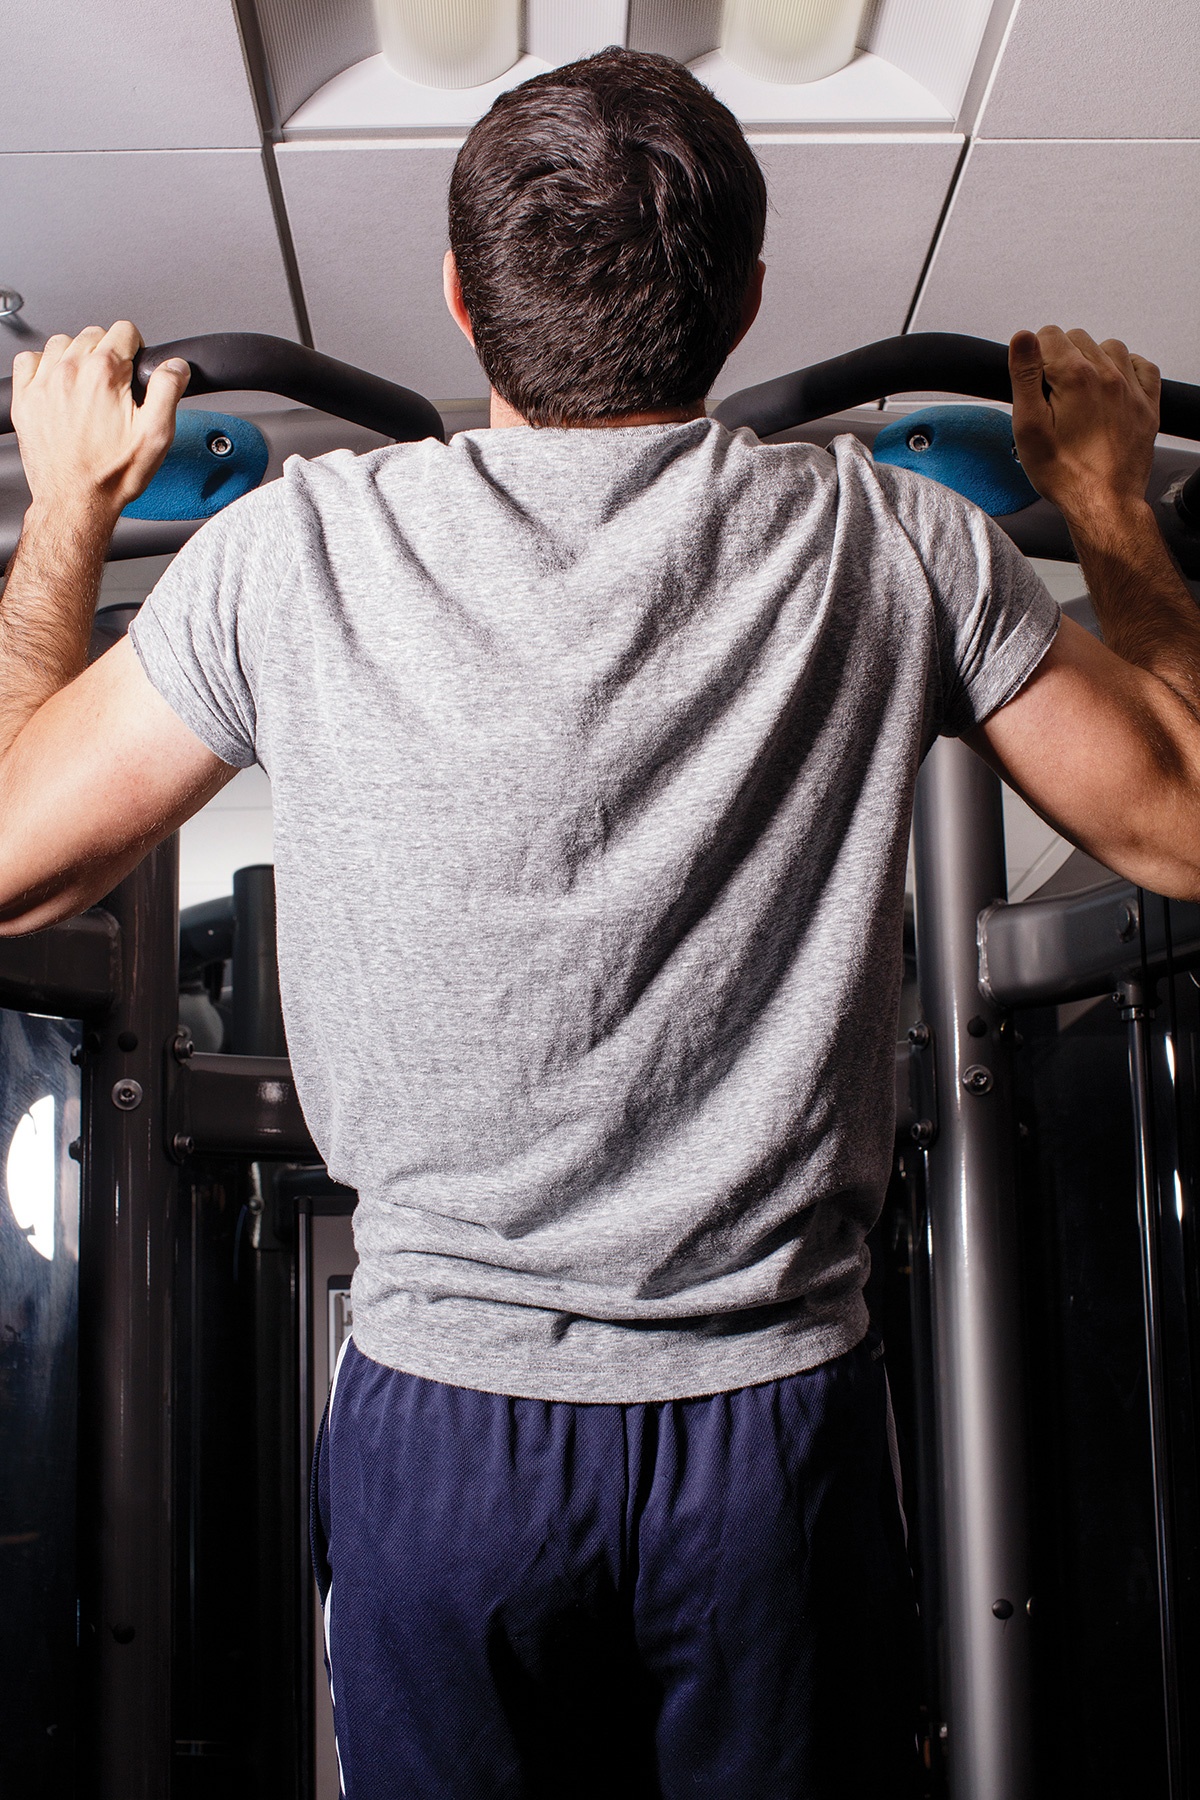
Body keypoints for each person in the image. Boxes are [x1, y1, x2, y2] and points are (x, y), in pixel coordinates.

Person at [2, 45, 1198, 1800]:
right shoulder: (899, 544)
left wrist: (63, 515)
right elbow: (1178, 817)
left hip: (442, 1436)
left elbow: (18, 859)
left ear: (459, 303)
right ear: (748, 302)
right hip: (777, 1431)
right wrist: (1113, 514)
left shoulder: (293, 555)